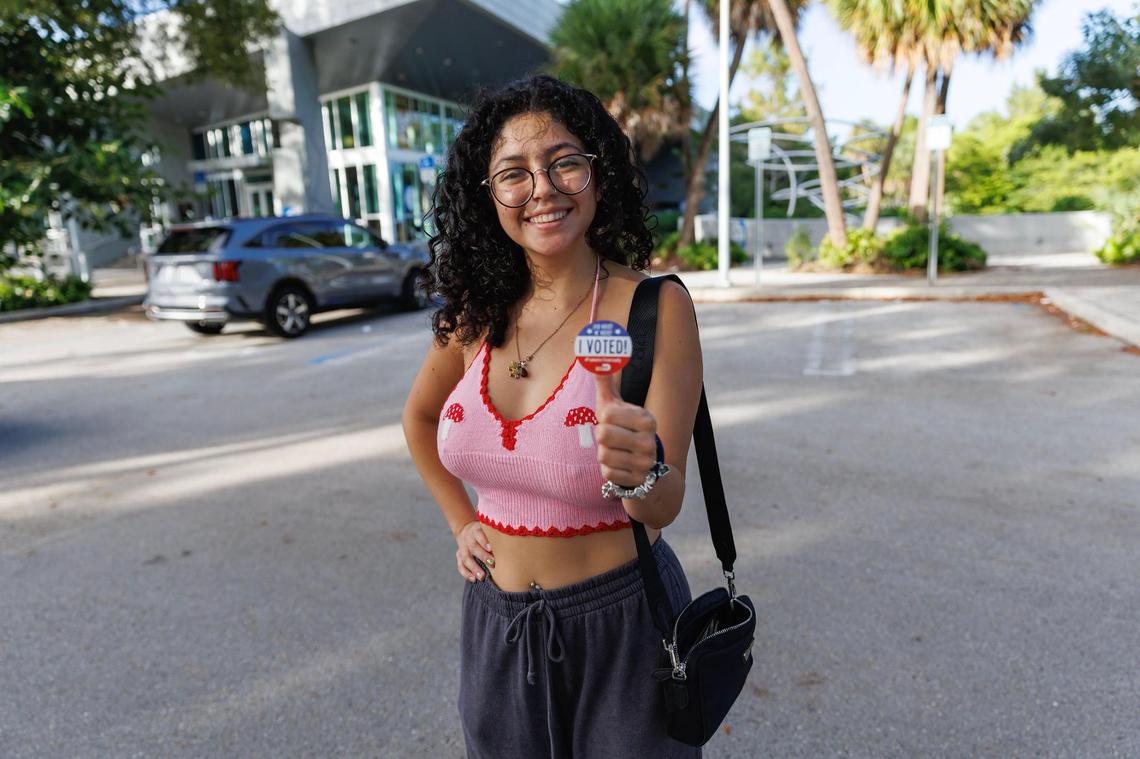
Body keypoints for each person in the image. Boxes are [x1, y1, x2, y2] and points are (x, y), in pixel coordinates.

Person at [402, 74, 704, 759]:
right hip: (496, 626)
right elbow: (419, 421)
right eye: (513, 173)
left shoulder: (655, 307)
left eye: (564, 161)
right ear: (489, 197)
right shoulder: (476, 314)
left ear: (599, 173)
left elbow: (664, 504)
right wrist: (461, 520)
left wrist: (641, 469)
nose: (542, 188)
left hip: (623, 624)